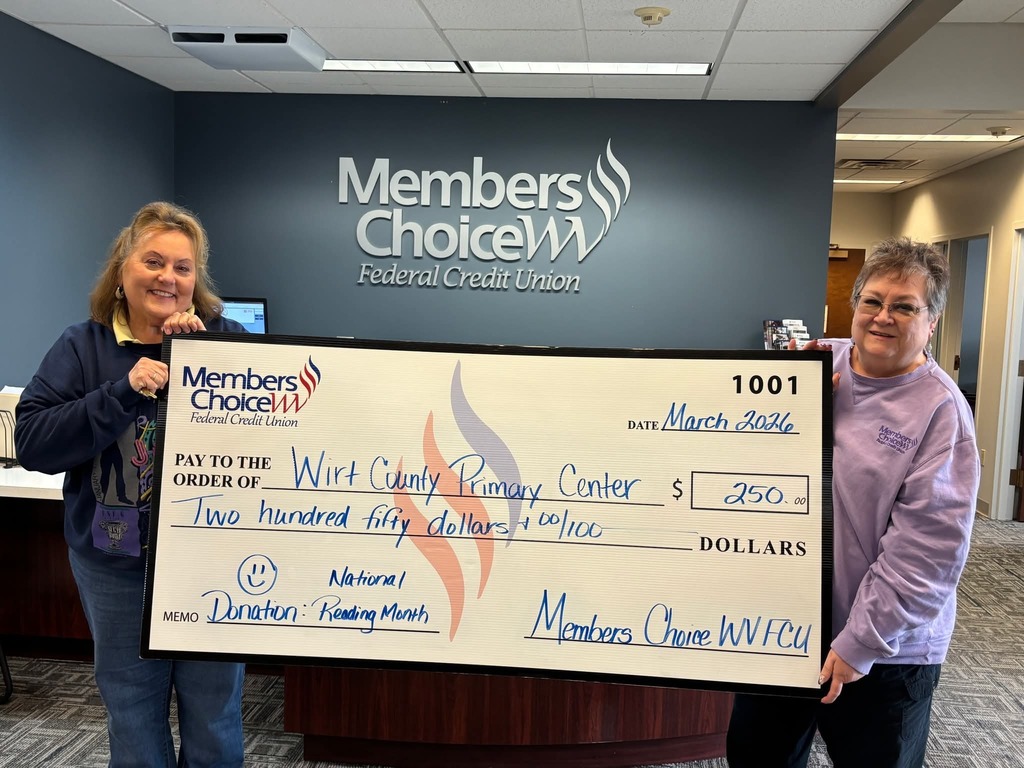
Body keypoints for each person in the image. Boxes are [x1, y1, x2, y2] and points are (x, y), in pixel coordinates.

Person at [727, 237, 980, 768]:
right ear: (854, 304)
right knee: (756, 757)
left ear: (932, 322)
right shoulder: (816, 367)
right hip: (784, 627)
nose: (883, 317)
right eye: (873, 301)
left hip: (885, 651)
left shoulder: (942, 414)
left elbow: (927, 555)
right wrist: (784, 412)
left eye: (905, 306)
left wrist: (859, 642)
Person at [15, 201, 248, 767]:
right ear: (122, 270)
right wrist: (123, 391)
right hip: (115, 567)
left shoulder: (226, 339)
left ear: (196, 280)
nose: (168, 277)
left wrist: (203, 358)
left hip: (209, 565)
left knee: (214, 713)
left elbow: (272, 442)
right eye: (153, 261)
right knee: (133, 712)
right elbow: (34, 442)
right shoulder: (82, 346)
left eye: (183, 267)